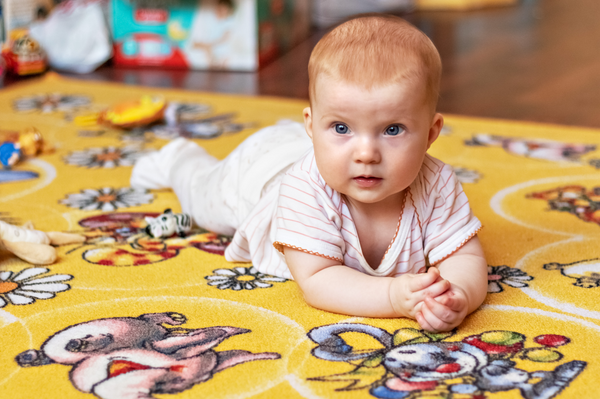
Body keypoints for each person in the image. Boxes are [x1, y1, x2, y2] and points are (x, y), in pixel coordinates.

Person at [131, 14, 488, 332]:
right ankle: (178, 157)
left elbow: (465, 258)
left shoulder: (437, 184)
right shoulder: (303, 189)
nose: (366, 154)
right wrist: (394, 297)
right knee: (201, 199)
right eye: (341, 127)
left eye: (392, 130)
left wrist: (456, 295)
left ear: (430, 133)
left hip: (307, 148)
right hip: (258, 174)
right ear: (312, 125)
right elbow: (318, 279)